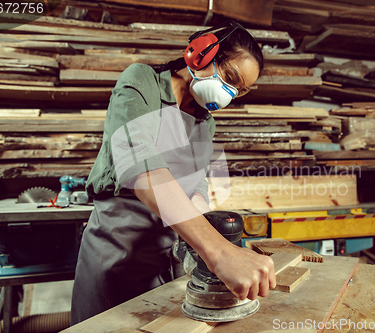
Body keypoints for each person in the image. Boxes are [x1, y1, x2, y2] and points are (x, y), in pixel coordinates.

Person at [70, 21, 276, 325]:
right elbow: (142, 169)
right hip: (119, 253)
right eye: (230, 78)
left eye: (238, 90)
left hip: (170, 259)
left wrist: (209, 241)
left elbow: (196, 188)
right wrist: (219, 252)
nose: (229, 94)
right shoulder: (143, 81)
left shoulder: (205, 121)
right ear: (202, 53)